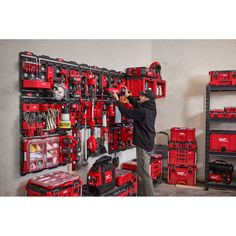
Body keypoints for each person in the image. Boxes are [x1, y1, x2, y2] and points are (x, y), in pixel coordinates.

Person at [112, 88, 157, 196]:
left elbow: (126, 112)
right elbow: (138, 106)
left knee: (144, 175)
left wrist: (117, 100)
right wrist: (128, 97)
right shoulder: (151, 108)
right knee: (142, 174)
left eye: (141, 96)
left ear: (146, 98)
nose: (139, 97)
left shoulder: (142, 111)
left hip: (143, 146)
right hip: (149, 143)